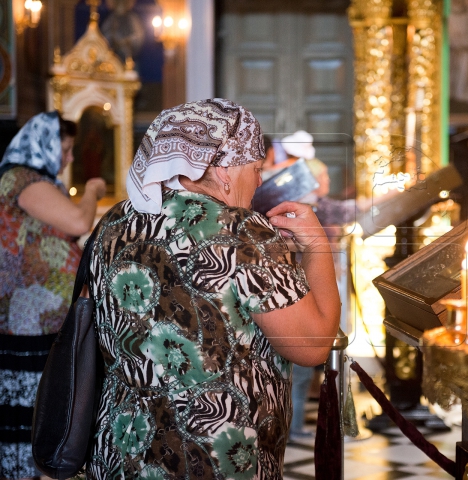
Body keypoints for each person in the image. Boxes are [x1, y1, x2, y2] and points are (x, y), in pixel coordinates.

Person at [85, 99, 340, 479]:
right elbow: (314, 344)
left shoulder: (114, 223)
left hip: (124, 449)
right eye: (255, 169)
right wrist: (317, 246)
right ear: (223, 169)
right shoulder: (242, 232)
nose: (258, 181)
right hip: (214, 455)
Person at [0, 111, 106, 479]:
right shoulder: (21, 178)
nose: (70, 158)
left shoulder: (36, 182)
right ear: (42, 145)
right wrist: (92, 191)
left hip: (37, 322)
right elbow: (78, 223)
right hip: (24, 323)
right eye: (65, 149)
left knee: (42, 409)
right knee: (28, 412)